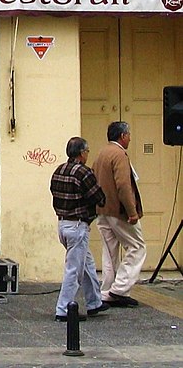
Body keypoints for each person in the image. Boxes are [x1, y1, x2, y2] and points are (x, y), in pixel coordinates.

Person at [50, 136, 109, 322]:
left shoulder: (59, 170)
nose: (87, 155)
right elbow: (98, 197)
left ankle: (94, 302)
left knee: (88, 264)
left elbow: (54, 193)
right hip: (78, 226)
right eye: (87, 152)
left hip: (62, 224)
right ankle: (63, 309)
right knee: (74, 270)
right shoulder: (84, 172)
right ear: (82, 153)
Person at [92, 121, 146, 307]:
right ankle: (120, 289)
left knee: (109, 251)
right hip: (118, 211)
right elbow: (123, 186)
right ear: (122, 136)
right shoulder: (119, 155)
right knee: (137, 247)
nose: (130, 138)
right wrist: (132, 211)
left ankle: (106, 291)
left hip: (102, 210)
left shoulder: (101, 153)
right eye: (129, 135)